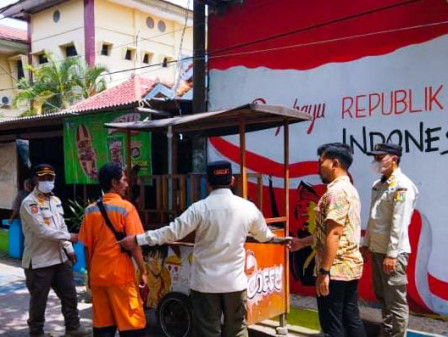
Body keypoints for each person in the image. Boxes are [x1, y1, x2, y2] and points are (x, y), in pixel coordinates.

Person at [119, 160, 289, 337]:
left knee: (208, 332)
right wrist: (284, 240)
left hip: (205, 285)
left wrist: (139, 239)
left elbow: (171, 233)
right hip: (235, 284)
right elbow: (265, 236)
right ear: (232, 180)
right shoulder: (248, 208)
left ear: (207, 182)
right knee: (237, 330)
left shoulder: (199, 209)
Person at [291, 143, 366, 337]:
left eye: (321, 161)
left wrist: (324, 272)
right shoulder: (348, 189)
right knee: (350, 318)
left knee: (331, 323)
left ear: (334, 163)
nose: (318, 165)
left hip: (336, 269)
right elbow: (330, 232)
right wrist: (303, 242)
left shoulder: (336, 193)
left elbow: (334, 233)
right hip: (347, 268)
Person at [20, 164, 90, 337]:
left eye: (50, 178)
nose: (47, 181)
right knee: (39, 301)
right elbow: (42, 231)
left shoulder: (56, 201)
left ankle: (73, 327)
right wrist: (70, 237)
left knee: (69, 295)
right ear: (35, 179)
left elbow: (61, 225)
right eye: (43, 178)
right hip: (39, 261)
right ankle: (36, 332)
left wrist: (69, 249)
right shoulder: (29, 203)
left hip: (59, 259)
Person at [78, 162, 147, 337]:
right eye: (124, 180)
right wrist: (144, 270)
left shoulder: (89, 211)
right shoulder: (126, 208)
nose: (126, 183)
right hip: (121, 278)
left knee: (103, 329)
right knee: (132, 327)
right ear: (114, 183)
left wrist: (91, 276)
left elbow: (87, 247)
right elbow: (134, 244)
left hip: (98, 278)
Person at [361, 143, 418, 337]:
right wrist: (365, 244)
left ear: (393, 158)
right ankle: (386, 333)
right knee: (382, 298)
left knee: (396, 301)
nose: (376, 161)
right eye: (375, 157)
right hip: (377, 250)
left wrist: (392, 254)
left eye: (380, 157)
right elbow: (373, 218)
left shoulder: (403, 186)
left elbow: (399, 223)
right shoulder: (378, 185)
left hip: (393, 254)